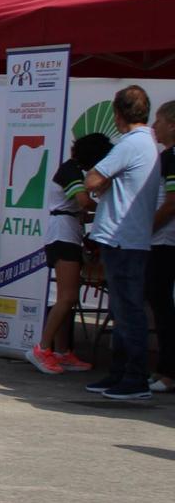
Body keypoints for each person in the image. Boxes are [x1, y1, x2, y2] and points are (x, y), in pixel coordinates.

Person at [82, 85, 160, 401]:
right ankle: (121, 372)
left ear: (117, 114)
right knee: (123, 309)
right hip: (128, 239)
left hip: (123, 239)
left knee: (128, 310)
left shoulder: (132, 143)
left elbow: (92, 180)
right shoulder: (146, 143)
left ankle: (134, 377)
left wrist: (103, 186)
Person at [30, 132, 112, 374]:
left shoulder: (73, 169)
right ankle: (42, 348)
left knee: (68, 298)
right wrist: (110, 206)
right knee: (66, 297)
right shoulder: (71, 170)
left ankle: (62, 351)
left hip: (69, 232)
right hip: (62, 235)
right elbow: (84, 202)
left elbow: (82, 209)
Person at [148, 101, 175, 394]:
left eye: (160, 121)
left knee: (163, 308)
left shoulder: (171, 158)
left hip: (164, 243)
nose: (154, 127)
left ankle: (167, 372)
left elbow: (171, 203)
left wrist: (147, 230)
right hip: (162, 241)